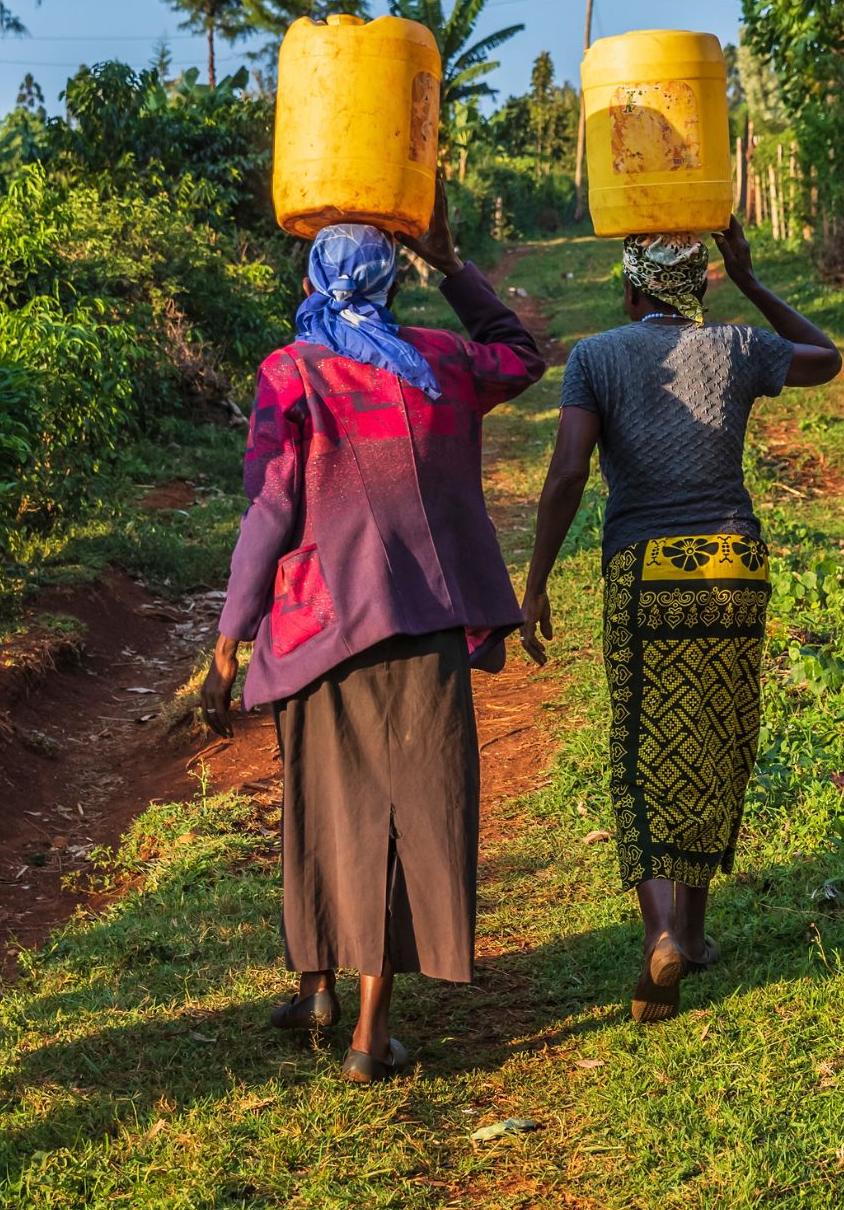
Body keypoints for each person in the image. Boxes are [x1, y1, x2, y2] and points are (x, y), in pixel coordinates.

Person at [199, 195, 545, 1083]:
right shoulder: (441, 361)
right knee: (408, 815)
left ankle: (320, 988)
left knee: (326, 808)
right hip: (427, 621)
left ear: (312, 280)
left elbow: (271, 504)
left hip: (319, 626)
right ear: (392, 282)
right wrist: (453, 262)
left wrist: (231, 634)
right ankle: (364, 1033)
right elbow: (521, 353)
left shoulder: (291, 371)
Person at [516, 217, 841, 1022]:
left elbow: (566, 472)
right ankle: (690, 937)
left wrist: (536, 580)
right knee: (714, 739)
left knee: (644, 746)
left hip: (645, 571)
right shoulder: (735, 345)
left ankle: (663, 932)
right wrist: (756, 282)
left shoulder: (596, 357)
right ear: (700, 288)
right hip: (733, 565)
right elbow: (826, 360)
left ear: (628, 291)